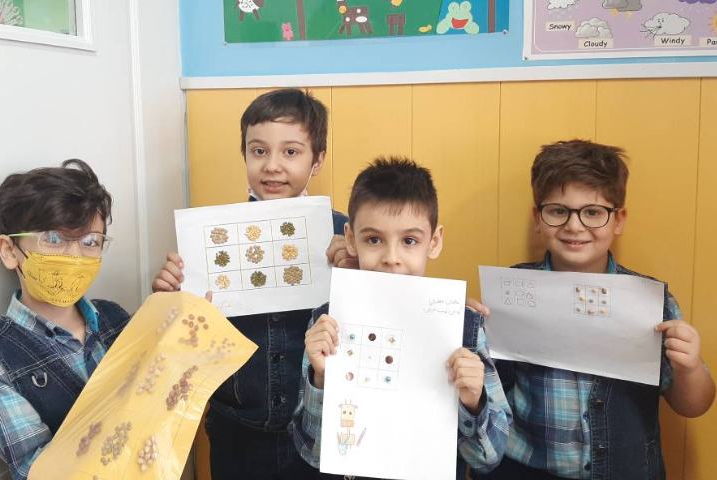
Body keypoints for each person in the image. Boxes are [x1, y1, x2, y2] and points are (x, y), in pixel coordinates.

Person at [484, 140, 715, 480]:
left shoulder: (652, 302)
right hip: (527, 469)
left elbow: (694, 405)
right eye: (558, 211)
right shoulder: (509, 293)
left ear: (618, 220)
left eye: (593, 212)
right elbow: (487, 393)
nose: (574, 226)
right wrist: (470, 329)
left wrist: (689, 367)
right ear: (538, 218)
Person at [152, 88, 350, 479]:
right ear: (244, 154)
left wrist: (358, 271)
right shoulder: (210, 240)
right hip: (236, 430)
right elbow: (185, 343)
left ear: (317, 160)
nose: (272, 166)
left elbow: (383, 310)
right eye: (259, 151)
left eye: (290, 152)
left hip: (317, 430)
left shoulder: (345, 235)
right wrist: (171, 300)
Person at [292, 157, 511, 479]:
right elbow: (311, 453)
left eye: (409, 241)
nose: (391, 258)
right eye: (373, 240)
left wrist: (473, 402)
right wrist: (321, 378)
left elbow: (488, 459)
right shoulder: (328, 323)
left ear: (433, 242)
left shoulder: (464, 327)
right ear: (350, 239)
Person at [0, 159, 128, 480]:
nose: (75, 257)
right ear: (9, 250)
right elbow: (43, 473)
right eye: (54, 239)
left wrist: (170, 313)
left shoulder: (115, 318)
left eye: (90, 242)